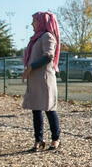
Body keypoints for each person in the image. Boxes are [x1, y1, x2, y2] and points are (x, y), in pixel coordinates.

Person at [21, 11, 62, 152]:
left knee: (49, 108)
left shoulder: (48, 37)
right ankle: (38, 139)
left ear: (42, 22)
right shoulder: (36, 38)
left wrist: (31, 67)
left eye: (34, 21)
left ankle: (56, 138)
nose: (32, 24)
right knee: (36, 109)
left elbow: (48, 57)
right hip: (35, 79)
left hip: (44, 79)